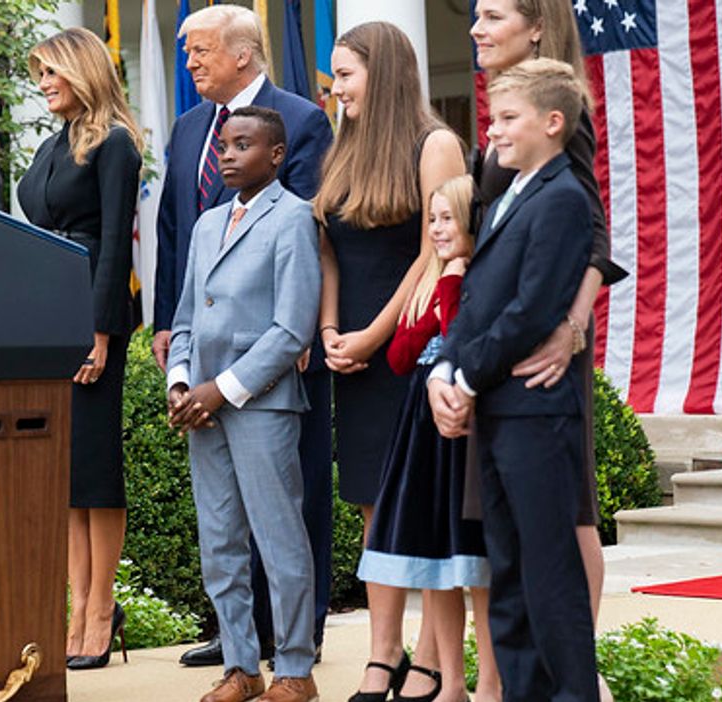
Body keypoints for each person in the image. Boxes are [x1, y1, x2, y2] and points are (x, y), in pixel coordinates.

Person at [157, 2, 334, 667]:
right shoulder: (186, 128)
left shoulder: (301, 119)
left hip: (272, 358)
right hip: (199, 347)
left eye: (199, 50)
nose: (190, 62)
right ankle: (238, 645)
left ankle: (295, 637)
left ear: (242, 52)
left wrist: (308, 329)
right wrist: (172, 336)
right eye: (185, 52)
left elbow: (310, 233)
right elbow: (179, 230)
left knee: (288, 506)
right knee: (222, 527)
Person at [429, 58, 598, 702]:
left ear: (553, 123)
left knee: (549, 574)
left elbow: (529, 310)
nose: (492, 131)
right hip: (497, 413)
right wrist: (446, 368)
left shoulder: (562, 198)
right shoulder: (508, 196)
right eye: (492, 117)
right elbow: (477, 302)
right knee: (509, 574)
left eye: (507, 118)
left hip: (534, 415)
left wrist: (464, 379)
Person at [471, 3, 627, 696]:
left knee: (564, 523)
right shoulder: (502, 123)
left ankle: (575, 674)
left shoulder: (559, 119)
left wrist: (572, 325)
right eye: (472, 15)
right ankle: (508, 677)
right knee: (505, 538)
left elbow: (591, 229)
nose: (476, 27)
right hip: (496, 353)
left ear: (535, 28)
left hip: (543, 351)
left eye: (492, 14)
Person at [311, 21, 466, 700]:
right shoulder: (342, 148)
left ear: (385, 71)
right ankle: (383, 656)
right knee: (373, 507)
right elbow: (327, 246)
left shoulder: (435, 144)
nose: (336, 86)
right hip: (349, 351)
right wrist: (328, 329)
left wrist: (374, 334)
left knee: (421, 511)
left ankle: (432, 661)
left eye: (346, 73)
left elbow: (437, 253)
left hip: (409, 345)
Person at [14, 27, 143, 670]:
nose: (42, 86)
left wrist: (97, 332)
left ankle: (100, 608)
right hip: (46, 312)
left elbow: (117, 241)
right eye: (38, 75)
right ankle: (75, 604)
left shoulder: (115, 142)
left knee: (94, 469)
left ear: (80, 71)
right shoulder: (48, 146)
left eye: (50, 74)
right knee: (66, 476)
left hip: (92, 317)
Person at [358, 175, 500, 702]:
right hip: (421, 430)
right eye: (432, 220)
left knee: (474, 566)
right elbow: (399, 357)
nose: (439, 230)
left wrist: (452, 284)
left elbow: (463, 334)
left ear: (471, 222)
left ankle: (490, 682)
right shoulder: (429, 282)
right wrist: (433, 298)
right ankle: (452, 685)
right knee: (435, 566)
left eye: (448, 219)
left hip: (461, 427)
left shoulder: (474, 281)